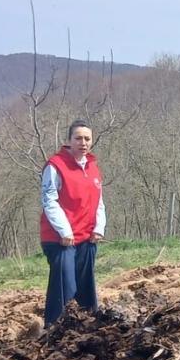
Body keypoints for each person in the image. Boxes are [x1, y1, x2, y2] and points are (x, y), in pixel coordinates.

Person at [40, 120, 106, 328]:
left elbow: (99, 201)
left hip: (87, 236)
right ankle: (55, 328)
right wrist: (64, 230)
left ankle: (87, 326)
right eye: (78, 138)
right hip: (61, 238)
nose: (83, 142)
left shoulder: (93, 167)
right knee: (65, 285)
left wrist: (99, 227)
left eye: (87, 138)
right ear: (68, 141)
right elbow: (49, 200)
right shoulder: (55, 165)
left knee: (86, 284)